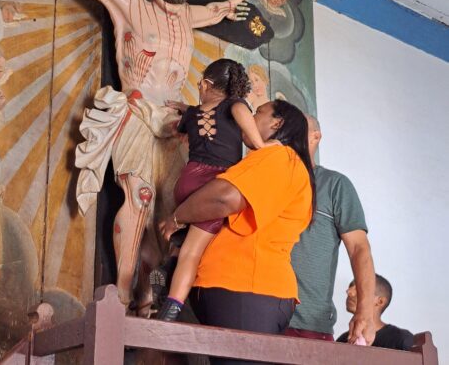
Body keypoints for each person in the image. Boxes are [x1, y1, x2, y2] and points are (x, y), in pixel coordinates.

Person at [0, 0, 250, 311]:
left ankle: (157, 291)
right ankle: (123, 288)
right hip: (136, 111)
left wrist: (231, 8)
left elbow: (216, 10)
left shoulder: (186, 16)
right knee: (138, 194)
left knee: (178, 203)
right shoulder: (130, 3)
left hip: (175, 120)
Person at [161, 100, 315, 365]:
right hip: (242, 292)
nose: (251, 117)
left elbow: (225, 198)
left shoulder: (280, 156)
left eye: (258, 113)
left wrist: (177, 218)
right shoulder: (271, 161)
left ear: (277, 124)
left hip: (248, 290)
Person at [156, 59, 278, 321]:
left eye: (200, 84)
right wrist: (271, 146)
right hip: (214, 185)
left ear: (207, 84)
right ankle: (170, 310)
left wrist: (186, 109)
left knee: (184, 245)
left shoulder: (191, 114)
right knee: (193, 252)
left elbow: (185, 126)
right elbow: (253, 139)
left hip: (188, 180)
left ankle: (166, 271)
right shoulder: (236, 105)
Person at [286, 115, 376, 344]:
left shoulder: (335, 185)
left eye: (298, 129)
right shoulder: (264, 180)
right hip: (257, 317)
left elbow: (358, 248)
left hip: (309, 324)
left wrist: (365, 313)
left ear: (316, 137)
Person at [337, 275, 414, 351]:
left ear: (380, 302)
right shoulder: (342, 340)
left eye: (358, 290)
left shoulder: (401, 339)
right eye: (350, 288)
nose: (349, 292)